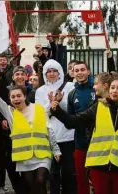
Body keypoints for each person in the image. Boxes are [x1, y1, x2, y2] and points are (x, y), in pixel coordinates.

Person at [0, 73, 62, 194]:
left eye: (19, 96)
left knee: (40, 180)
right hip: (24, 158)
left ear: (25, 96)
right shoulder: (10, 112)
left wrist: (55, 149)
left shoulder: (39, 109)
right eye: (13, 97)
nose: (16, 99)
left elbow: (49, 129)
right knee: (32, 186)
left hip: (43, 154)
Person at [50, 77, 118, 194]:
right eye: (112, 88)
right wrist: (57, 110)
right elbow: (74, 121)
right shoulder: (98, 106)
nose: (114, 91)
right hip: (98, 164)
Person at [35, 59, 76, 194]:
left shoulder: (70, 86)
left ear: (60, 73)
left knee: (69, 172)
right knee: (53, 174)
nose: (52, 74)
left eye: (54, 71)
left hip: (68, 135)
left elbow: (71, 110)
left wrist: (59, 103)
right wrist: (51, 104)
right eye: (49, 71)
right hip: (50, 137)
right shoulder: (40, 91)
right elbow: (41, 114)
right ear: (45, 74)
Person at [67, 61, 95, 194]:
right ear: (73, 73)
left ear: (88, 71)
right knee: (81, 180)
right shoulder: (72, 94)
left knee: (97, 180)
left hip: (97, 143)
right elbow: (70, 121)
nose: (79, 73)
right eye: (76, 70)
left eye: (82, 69)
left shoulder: (96, 89)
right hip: (79, 143)